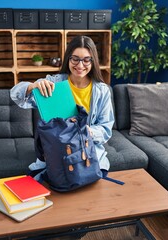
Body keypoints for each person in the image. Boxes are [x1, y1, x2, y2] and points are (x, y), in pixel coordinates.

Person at [10, 35, 114, 175]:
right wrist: (32, 86)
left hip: (88, 152)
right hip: (56, 152)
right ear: (68, 58)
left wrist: (87, 131)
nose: (80, 65)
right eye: (75, 59)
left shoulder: (102, 91)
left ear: (93, 60)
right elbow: (15, 95)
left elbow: (106, 129)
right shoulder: (54, 84)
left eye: (86, 59)